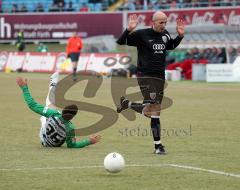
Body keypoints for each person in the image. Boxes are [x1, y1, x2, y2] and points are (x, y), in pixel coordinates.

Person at [116, 12, 185, 154]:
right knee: (155, 109)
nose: (164, 25)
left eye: (165, 22)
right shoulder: (142, 35)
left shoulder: (165, 34)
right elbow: (121, 41)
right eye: (161, 22)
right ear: (153, 22)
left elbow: (170, 45)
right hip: (145, 76)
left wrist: (180, 37)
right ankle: (158, 146)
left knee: (150, 112)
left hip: (160, 77)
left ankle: (127, 104)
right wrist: (129, 29)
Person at [16, 73, 101, 148]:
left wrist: (24, 88)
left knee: (50, 106)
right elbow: (72, 145)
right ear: (73, 117)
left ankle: (53, 84)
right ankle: (53, 85)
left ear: (63, 110)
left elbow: (32, 105)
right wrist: (89, 141)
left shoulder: (54, 114)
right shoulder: (70, 128)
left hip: (43, 137)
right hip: (51, 144)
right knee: (48, 109)